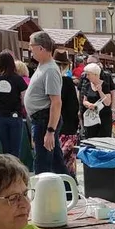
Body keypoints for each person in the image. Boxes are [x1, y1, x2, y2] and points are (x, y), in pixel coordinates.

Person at [24, 31, 67, 174]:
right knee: (54, 161)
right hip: (41, 119)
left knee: (43, 162)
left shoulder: (50, 70)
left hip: (44, 119)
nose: (30, 51)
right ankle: (68, 190)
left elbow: (56, 102)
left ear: (41, 48)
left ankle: (44, 192)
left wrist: (50, 130)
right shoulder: (43, 66)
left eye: (31, 47)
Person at [0, 50, 28, 160]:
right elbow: (24, 101)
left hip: (0, 116)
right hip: (15, 115)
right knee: (15, 149)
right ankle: (15, 173)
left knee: (5, 149)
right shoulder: (18, 79)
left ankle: (6, 173)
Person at [55, 52, 81, 177]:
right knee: (68, 159)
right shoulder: (67, 82)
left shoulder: (54, 81)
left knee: (59, 157)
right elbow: (74, 106)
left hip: (55, 125)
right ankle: (70, 182)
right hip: (68, 126)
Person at [80, 62, 112, 140]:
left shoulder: (105, 85)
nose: (87, 77)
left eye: (88, 74)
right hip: (91, 119)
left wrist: (100, 91)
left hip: (103, 119)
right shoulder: (87, 85)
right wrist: (88, 105)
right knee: (91, 140)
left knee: (103, 141)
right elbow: (84, 101)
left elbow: (107, 103)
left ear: (95, 74)